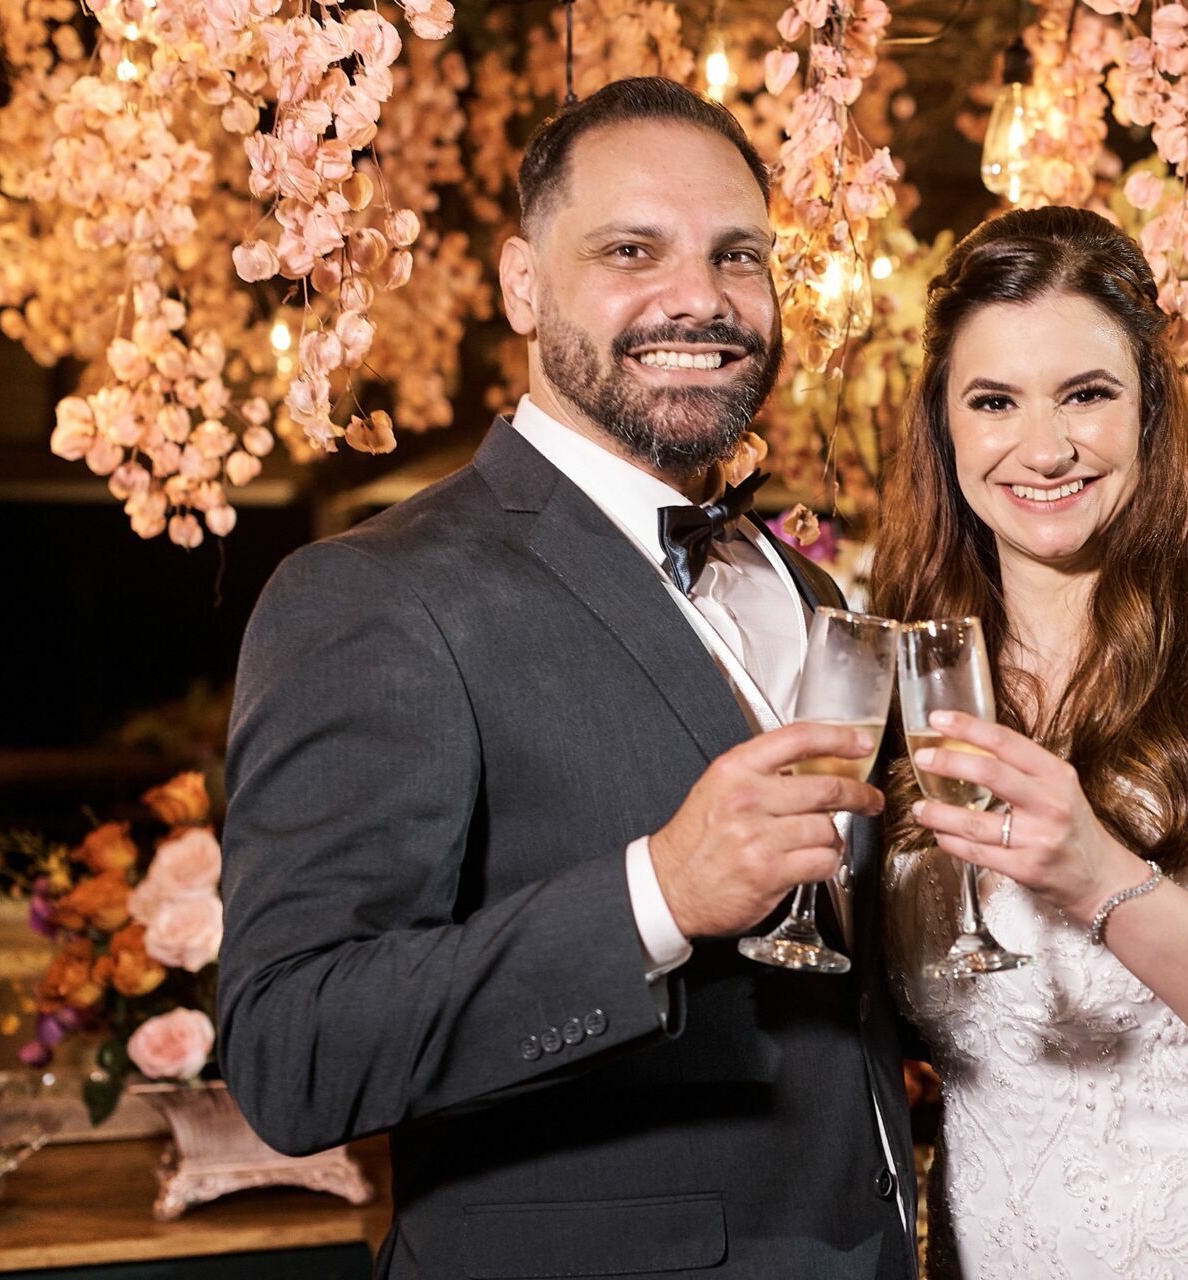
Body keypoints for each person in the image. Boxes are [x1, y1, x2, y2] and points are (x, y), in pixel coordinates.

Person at [218, 77, 916, 1280]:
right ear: (522, 284)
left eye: (737, 255)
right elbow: (294, 1050)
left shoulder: (810, 598)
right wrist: (658, 892)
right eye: (632, 249)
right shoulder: (371, 594)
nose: (699, 297)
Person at [872, 207, 1188, 1279]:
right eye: (995, 400)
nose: (1045, 445)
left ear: (1149, 411)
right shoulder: (911, 683)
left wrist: (1106, 880)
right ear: (947, 428)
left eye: (1088, 394)